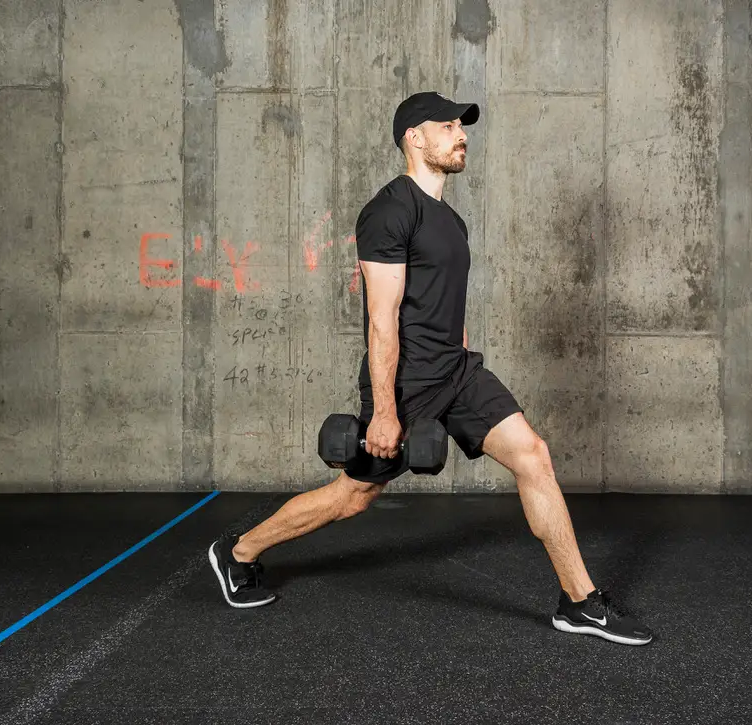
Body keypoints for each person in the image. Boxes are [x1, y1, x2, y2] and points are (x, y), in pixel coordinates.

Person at [208, 91, 653, 646]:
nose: (460, 135)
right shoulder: (389, 212)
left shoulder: (451, 221)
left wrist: (461, 353)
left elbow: (445, 302)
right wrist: (385, 411)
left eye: (461, 127)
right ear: (414, 138)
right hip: (408, 380)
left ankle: (579, 603)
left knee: (533, 455)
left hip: (457, 371)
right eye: (447, 127)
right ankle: (239, 551)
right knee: (353, 497)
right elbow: (382, 320)